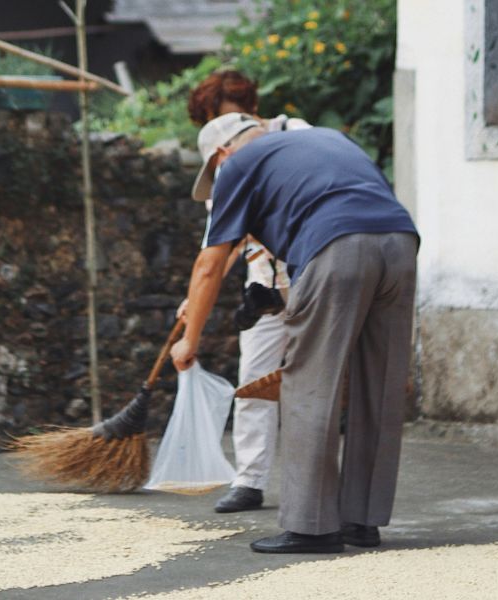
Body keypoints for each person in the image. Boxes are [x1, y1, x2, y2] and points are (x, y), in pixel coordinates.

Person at [171, 113, 418, 554]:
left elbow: (210, 263)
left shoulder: (238, 167)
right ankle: (362, 522)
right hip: (400, 244)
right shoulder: (322, 139)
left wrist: (189, 340)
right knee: (379, 386)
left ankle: (312, 527)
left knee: (308, 384)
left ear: (222, 155)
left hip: (336, 245)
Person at [181, 71, 310, 514]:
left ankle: (314, 482)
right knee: (253, 379)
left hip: (310, 273)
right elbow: (223, 242)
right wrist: (198, 293)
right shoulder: (224, 164)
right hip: (263, 283)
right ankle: (249, 480)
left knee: (316, 380)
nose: (231, 126)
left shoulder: (295, 134)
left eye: (234, 115)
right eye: (219, 119)